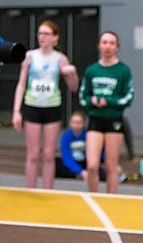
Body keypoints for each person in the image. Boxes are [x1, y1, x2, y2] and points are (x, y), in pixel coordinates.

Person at [12, 20, 79, 189]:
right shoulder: (29, 56)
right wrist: (16, 111)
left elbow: (73, 87)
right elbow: (21, 84)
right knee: (33, 154)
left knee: (49, 154)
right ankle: (31, 190)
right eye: (40, 33)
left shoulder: (60, 58)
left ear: (55, 37)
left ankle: (49, 190)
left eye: (46, 33)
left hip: (52, 107)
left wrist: (72, 74)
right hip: (32, 106)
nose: (42, 37)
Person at [79, 30, 134, 193]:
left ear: (117, 47)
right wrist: (92, 101)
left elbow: (128, 97)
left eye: (111, 43)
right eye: (104, 42)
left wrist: (108, 101)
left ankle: (111, 200)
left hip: (114, 121)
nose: (107, 46)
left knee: (111, 165)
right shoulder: (91, 70)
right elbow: (83, 96)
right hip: (95, 120)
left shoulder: (123, 70)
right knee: (92, 165)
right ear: (99, 45)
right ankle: (93, 196)